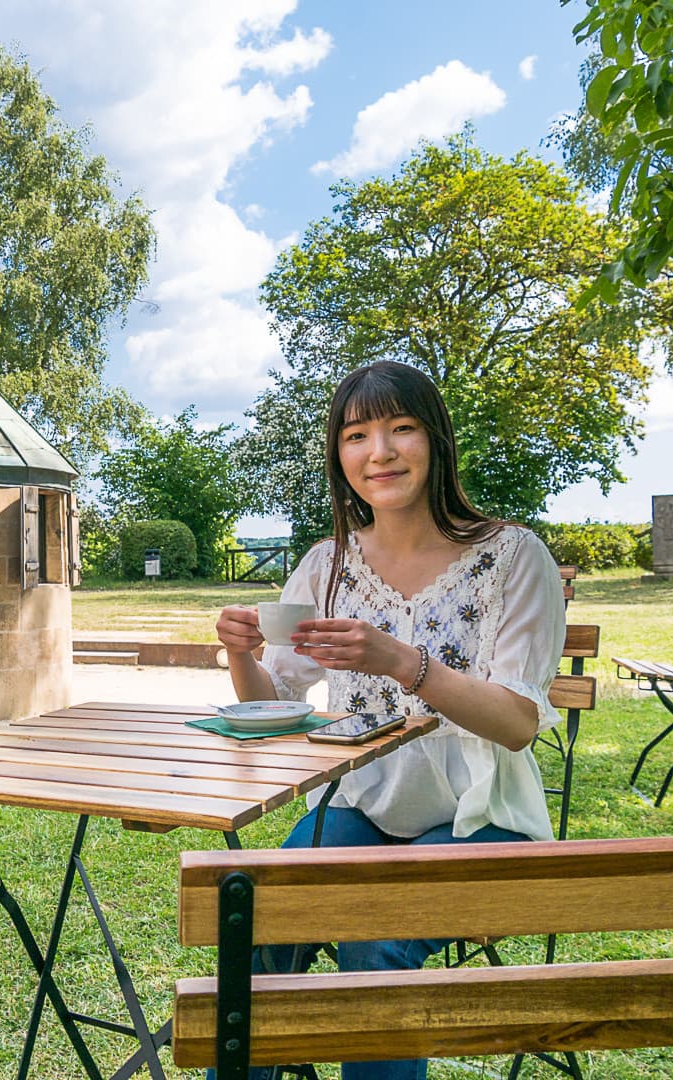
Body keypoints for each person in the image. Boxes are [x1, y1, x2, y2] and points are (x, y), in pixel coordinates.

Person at [214, 360, 565, 1080]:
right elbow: (271, 702)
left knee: (376, 935)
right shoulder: (328, 565)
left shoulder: (512, 557)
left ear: (435, 440)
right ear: (338, 455)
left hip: (482, 815)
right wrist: (241, 654)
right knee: (258, 921)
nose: (380, 452)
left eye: (401, 428)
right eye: (356, 435)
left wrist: (403, 661)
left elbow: (517, 723)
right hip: (361, 802)